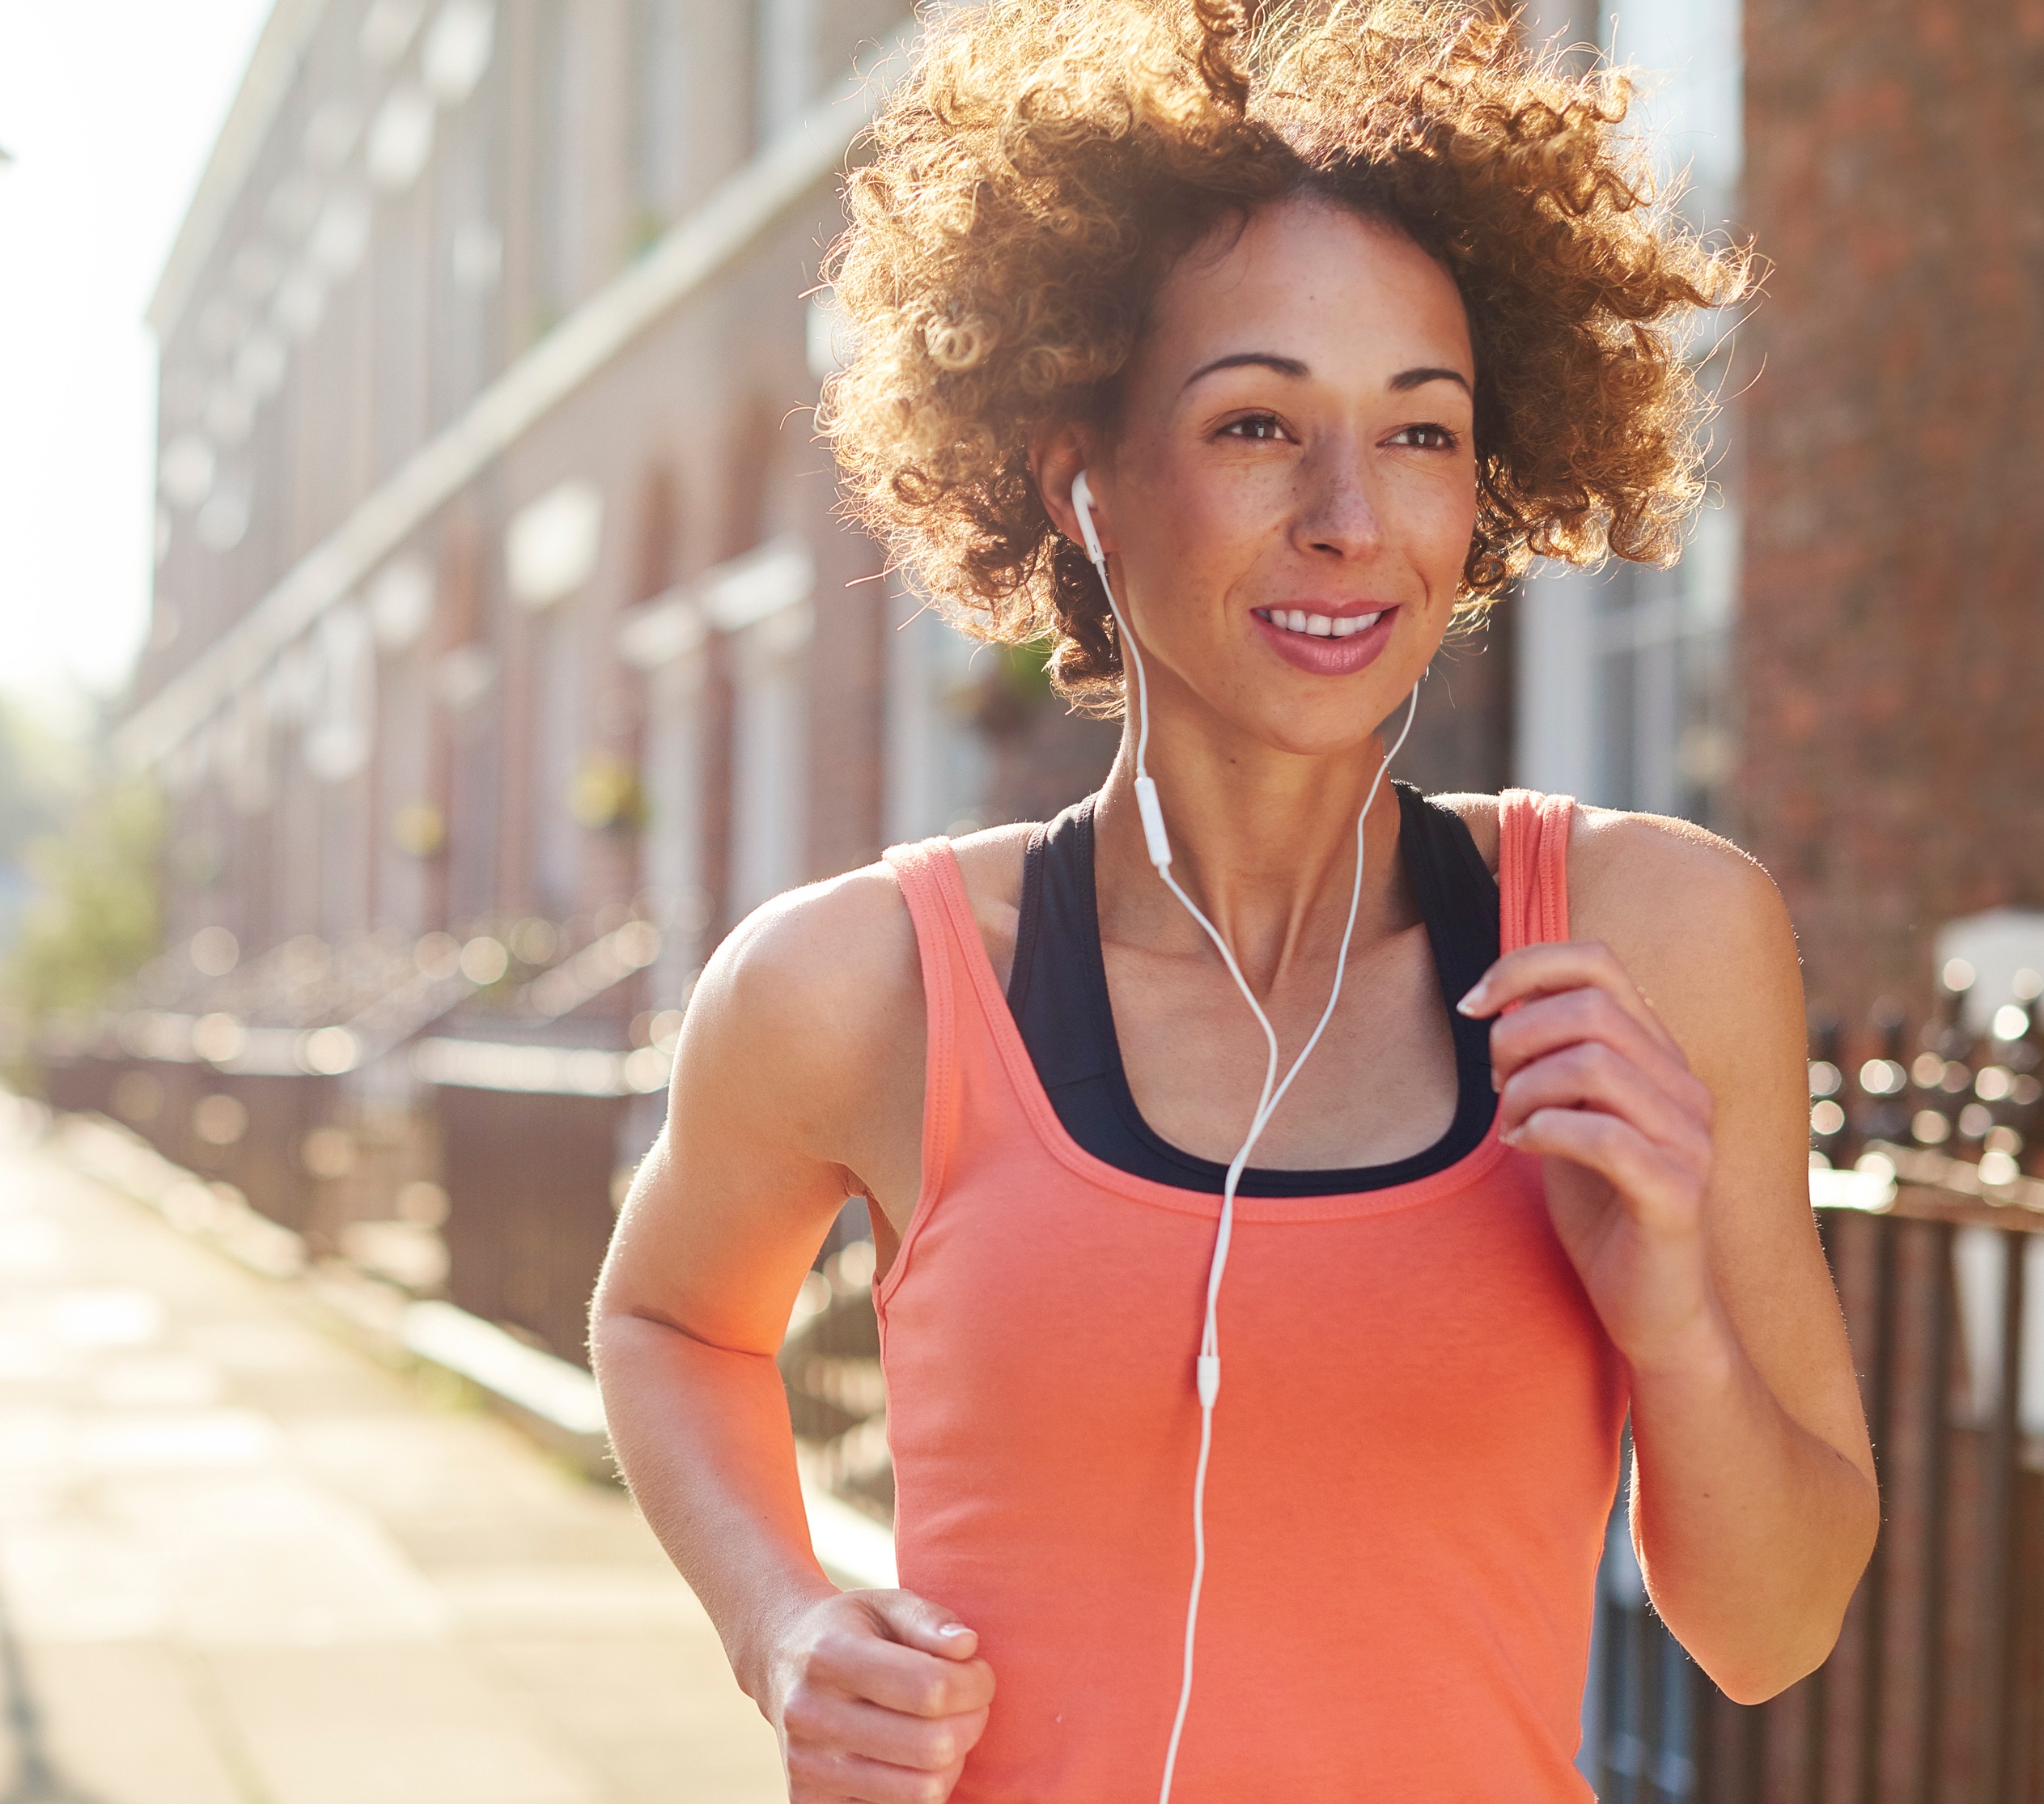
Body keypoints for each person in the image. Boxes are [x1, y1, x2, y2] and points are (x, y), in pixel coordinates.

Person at [587, 2, 1876, 1798]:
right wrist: (783, 1620)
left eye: (1420, 435)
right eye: (1257, 422)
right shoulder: (861, 983)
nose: (1352, 518)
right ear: (1079, 475)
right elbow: (665, 1321)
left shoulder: (1648, 939)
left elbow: (1771, 1624)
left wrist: (1667, 1302)